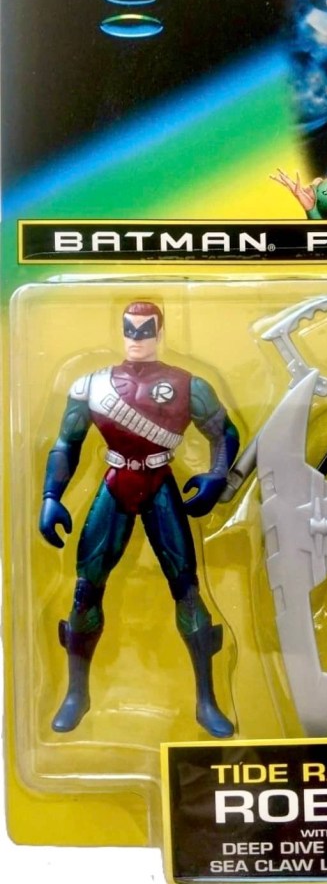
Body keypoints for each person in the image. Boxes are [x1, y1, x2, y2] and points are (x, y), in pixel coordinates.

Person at [39, 301, 240, 737]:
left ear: (159, 332)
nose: (137, 337)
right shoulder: (91, 385)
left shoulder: (188, 385)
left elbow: (223, 432)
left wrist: (217, 475)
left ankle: (207, 701)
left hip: (160, 483)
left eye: (145, 329)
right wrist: (51, 495)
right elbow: (66, 443)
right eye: (130, 329)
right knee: (85, 590)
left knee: (187, 590)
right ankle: (76, 694)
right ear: (120, 330)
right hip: (116, 484)